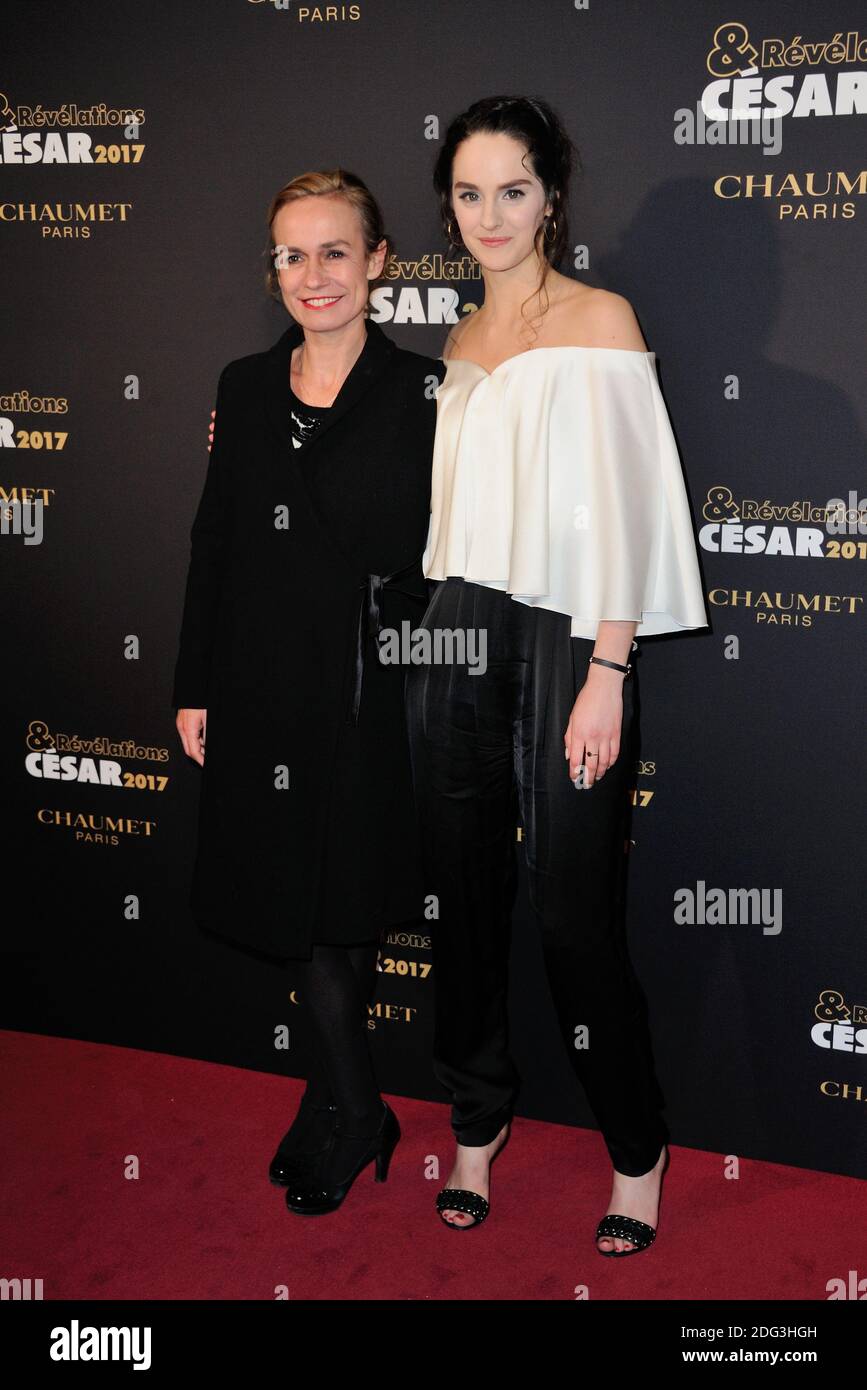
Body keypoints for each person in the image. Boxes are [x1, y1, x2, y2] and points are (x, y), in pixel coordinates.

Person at [404, 96, 709, 1253]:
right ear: (451, 206)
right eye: (470, 193)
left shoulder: (600, 318)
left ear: (551, 197)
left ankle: (637, 1148)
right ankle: (476, 1127)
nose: (490, 214)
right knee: (463, 906)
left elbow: (629, 510)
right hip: (455, 630)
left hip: (567, 638)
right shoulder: (459, 339)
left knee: (576, 917)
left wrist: (608, 667)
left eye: (513, 190)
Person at [172, 169, 445, 1216]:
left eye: (337, 251)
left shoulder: (425, 389)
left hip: (362, 696)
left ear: (379, 262)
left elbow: (435, 558)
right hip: (256, 686)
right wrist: (194, 683)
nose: (314, 274)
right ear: (273, 268)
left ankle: (356, 1108)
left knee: (338, 917)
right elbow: (214, 542)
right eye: (293, 254)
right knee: (291, 909)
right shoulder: (243, 385)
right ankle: (337, 1096)